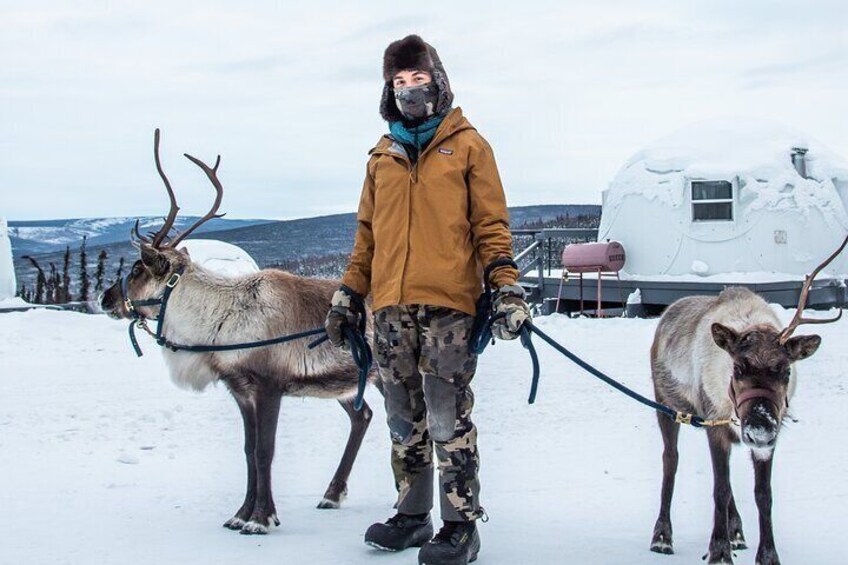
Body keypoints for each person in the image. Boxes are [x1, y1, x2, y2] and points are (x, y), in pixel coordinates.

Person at [324, 34, 531, 565]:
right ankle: (412, 516)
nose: (409, 91)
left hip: (449, 309)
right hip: (390, 311)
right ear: (388, 92)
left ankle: (461, 525)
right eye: (399, 83)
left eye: (418, 80)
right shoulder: (381, 156)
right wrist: (349, 294)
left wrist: (505, 288)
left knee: (446, 416)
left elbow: (491, 227)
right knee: (401, 417)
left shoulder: (468, 146)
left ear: (438, 82)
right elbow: (367, 237)